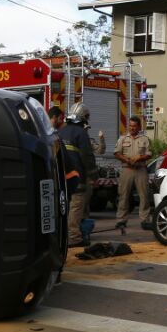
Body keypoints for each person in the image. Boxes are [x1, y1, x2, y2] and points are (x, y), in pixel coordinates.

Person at [59, 102, 98, 248]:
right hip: (78, 179)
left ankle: (62, 236)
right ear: (83, 117)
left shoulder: (61, 132)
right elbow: (87, 157)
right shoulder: (81, 133)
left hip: (63, 178)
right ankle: (74, 237)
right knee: (76, 208)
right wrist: (94, 176)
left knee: (64, 208)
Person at [114, 116, 152, 233]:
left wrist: (139, 157)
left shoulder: (145, 139)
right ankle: (121, 220)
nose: (132, 128)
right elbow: (117, 153)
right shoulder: (122, 139)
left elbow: (149, 154)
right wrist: (126, 160)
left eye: (134, 126)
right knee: (123, 195)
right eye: (130, 126)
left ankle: (145, 220)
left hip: (140, 169)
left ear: (139, 127)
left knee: (144, 195)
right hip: (127, 169)